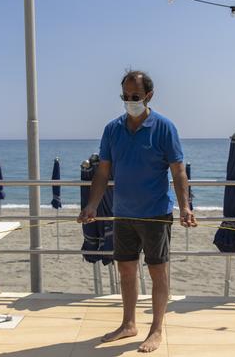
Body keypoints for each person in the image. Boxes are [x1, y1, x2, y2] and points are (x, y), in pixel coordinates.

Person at [78, 70, 197, 353]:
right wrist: (92, 204)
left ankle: (156, 330)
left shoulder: (165, 127)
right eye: (125, 96)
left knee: (158, 272)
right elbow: (103, 171)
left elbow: (178, 171)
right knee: (127, 271)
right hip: (123, 213)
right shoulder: (112, 129)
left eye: (135, 96)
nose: (130, 101)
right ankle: (128, 324)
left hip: (156, 214)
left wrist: (185, 207)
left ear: (148, 96)